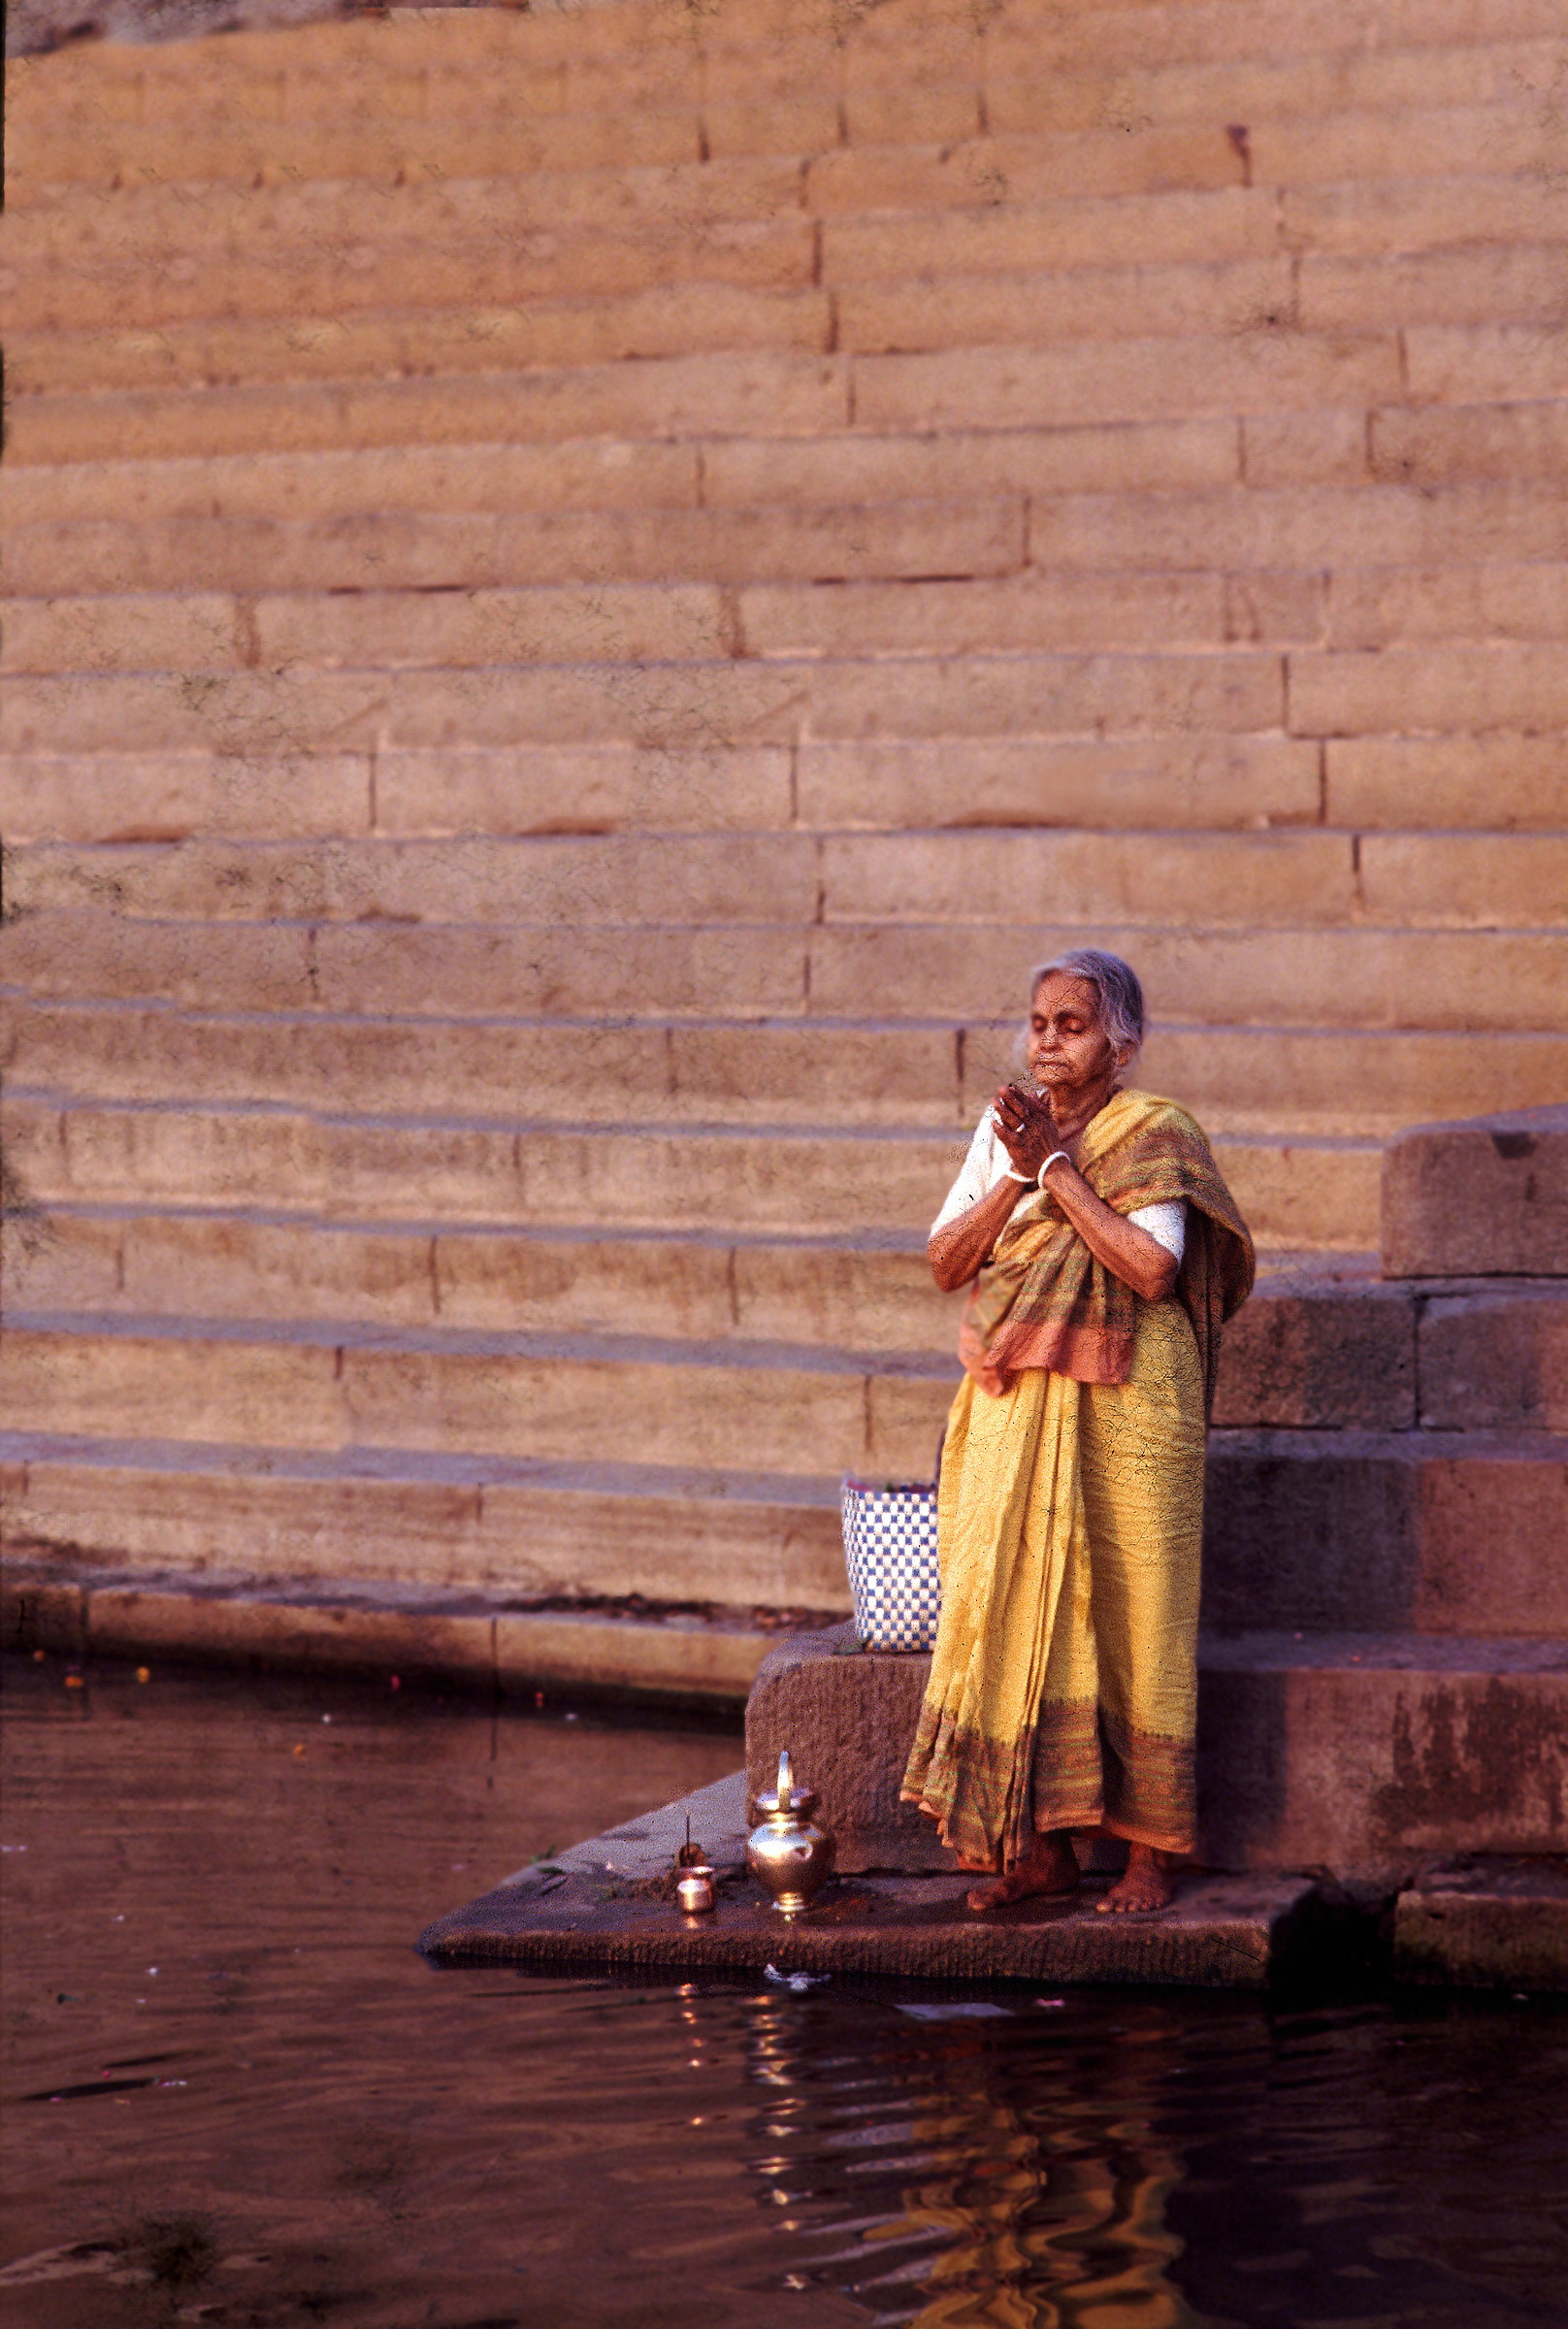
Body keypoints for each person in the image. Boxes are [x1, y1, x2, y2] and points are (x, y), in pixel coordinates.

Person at [900, 949, 1254, 1915]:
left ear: (1121, 1042)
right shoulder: (1000, 1133)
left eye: (1073, 1023)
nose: (1049, 1039)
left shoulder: (1156, 1134)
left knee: (1136, 1614)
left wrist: (1055, 1170)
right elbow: (943, 1262)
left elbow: (1147, 1269)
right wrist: (1015, 1176)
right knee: (1017, 1609)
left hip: (1131, 1407)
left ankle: (1150, 1856)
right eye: (1038, 1022)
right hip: (1014, 1405)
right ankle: (1044, 1848)